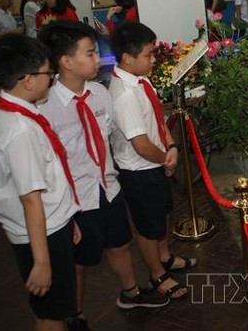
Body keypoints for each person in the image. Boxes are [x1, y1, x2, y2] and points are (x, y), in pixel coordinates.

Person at [37, 21, 169, 331]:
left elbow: (110, 136)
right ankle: (76, 314)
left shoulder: (99, 94)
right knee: (78, 263)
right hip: (74, 198)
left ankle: (131, 292)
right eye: (91, 53)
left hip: (107, 186)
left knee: (119, 243)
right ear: (67, 62)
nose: (99, 59)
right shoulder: (47, 106)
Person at [0, 34, 80, 331]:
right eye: (48, 74)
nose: (51, 80)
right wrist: (42, 262)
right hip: (41, 235)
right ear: (27, 80)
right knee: (51, 316)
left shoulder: (21, 113)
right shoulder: (20, 130)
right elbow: (30, 198)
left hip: (51, 225)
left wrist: (67, 218)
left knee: (54, 309)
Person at [108, 21, 196, 300]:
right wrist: (167, 160)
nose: (153, 59)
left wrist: (170, 144)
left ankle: (165, 256)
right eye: (148, 54)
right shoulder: (123, 94)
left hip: (155, 162)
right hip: (140, 170)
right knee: (148, 226)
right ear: (127, 57)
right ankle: (157, 274)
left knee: (164, 214)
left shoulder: (141, 80)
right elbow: (141, 145)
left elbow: (156, 121)